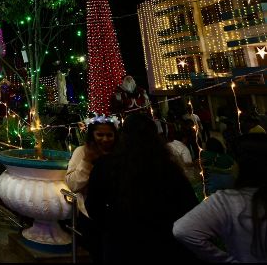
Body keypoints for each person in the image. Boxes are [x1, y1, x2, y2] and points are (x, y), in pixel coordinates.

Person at [86, 113, 199, 263]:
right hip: (163, 245)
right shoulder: (168, 169)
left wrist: (113, 223)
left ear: (122, 137)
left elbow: (93, 207)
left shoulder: (106, 165)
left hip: (121, 245)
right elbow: (189, 207)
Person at [174, 133, 267, 262]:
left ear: (241, 165)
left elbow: (182, 230)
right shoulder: (227, 195)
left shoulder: (226, 201)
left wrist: (225, 260)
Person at [65, 116, 118, 261]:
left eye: (109, 135)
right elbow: (72, 184)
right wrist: (87, 161)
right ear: (92, 135)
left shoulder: (120, 154)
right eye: (100, 135)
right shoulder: (81, 152)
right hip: (90, 214)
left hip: (117, 215)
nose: (105, 139)